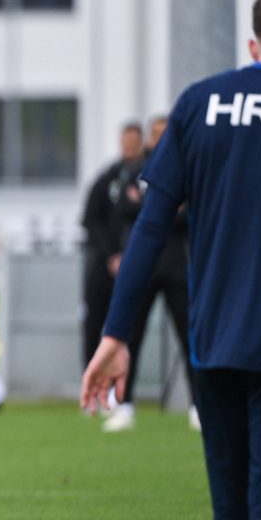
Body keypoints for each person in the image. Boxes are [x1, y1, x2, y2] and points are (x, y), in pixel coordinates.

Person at [82, 0, 261, 520]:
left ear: (252, 46)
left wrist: (116, 333)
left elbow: (152, 224)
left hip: (214, 342)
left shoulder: (198, 104)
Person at [100, 115, 198, 432]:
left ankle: (198, 405)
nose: (159, 139)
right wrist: (166, 210)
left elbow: (189, 216)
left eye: (164, 133)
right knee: (129, 336)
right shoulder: (136, 169)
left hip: (176, 267)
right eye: (155, 134)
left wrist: (152, 209)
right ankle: (123, 404)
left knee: (189, 337)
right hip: (143, 268)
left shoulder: (188, 167)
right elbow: (124, 211)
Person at [79, 123, 143, 368]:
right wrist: (111, 256)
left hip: (134, 265)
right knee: (93, 323)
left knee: (129, 326)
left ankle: (122, 391)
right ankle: (91, 377)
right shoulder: (107, 179)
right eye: (125, 140)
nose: (129, 146)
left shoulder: (148, 178)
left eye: (133, 141)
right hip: (103, 266)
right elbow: (89, 220)